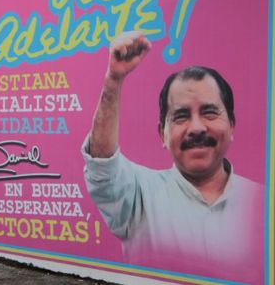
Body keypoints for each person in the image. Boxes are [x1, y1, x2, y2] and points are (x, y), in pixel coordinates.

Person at [82, 31, 263, 280]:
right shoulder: (137, 196)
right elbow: (102, 165)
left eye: (209, 112)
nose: (197, 128)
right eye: (181, 116)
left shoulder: (263, 204)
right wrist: (113, 80)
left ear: (231, 125)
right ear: (162, 134)